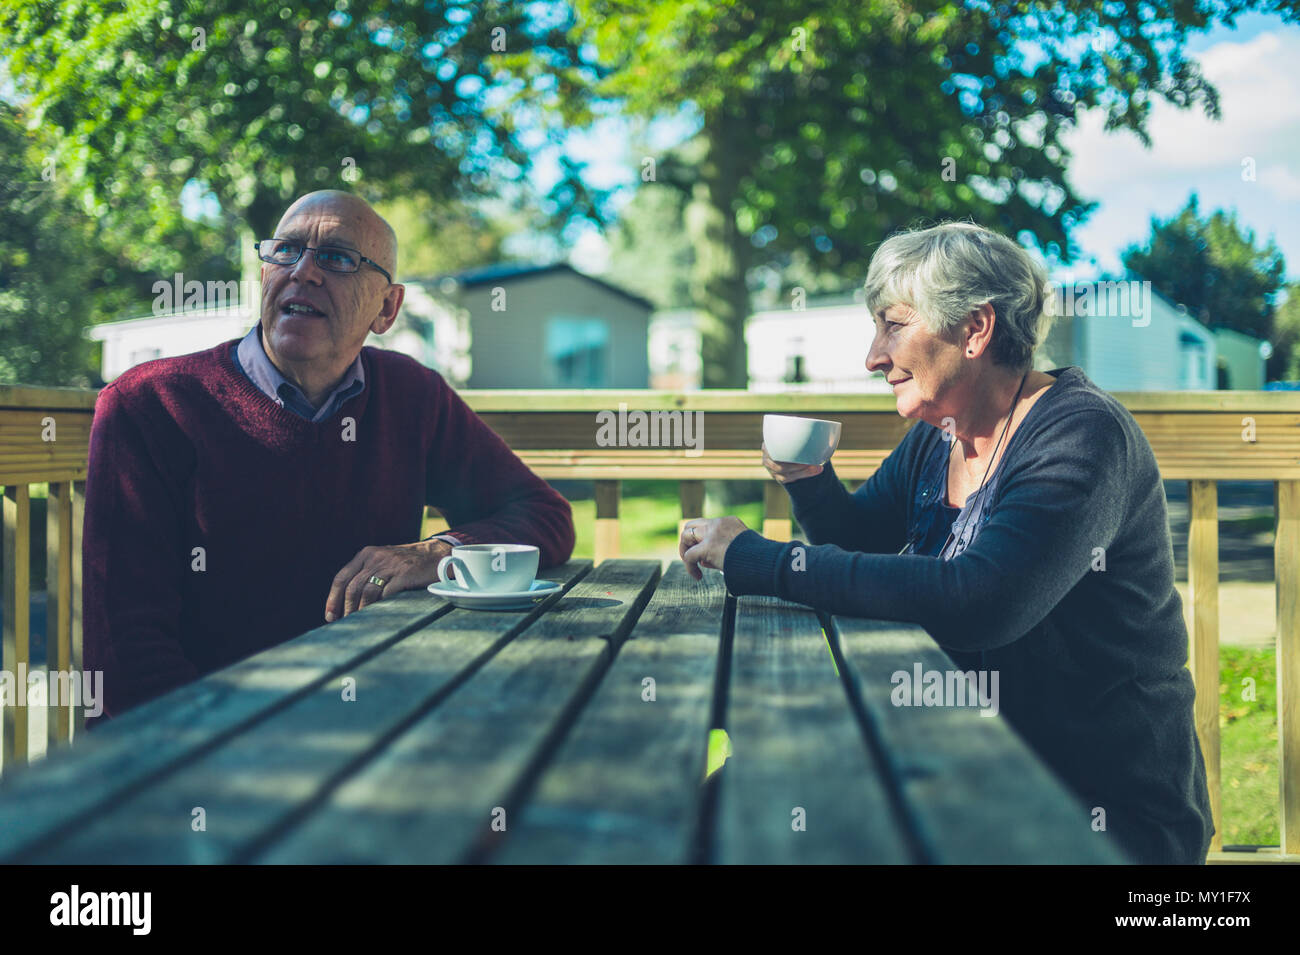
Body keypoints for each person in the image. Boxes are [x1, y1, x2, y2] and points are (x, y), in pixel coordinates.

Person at [679, 221, 1215, 865]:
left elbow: (982, 601)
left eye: (893, 325)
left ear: (975, 329)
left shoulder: (1082, 436)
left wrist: (759, 559)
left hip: (1098, 809)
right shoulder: (943, 435)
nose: (873, 357)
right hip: (964, 760)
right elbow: (857, 537)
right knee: (726, 801)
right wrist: (811, 481)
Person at [83, 190, 575, 723]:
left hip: (372, 722)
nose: (304, 273)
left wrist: (436, 553)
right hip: (200, 753)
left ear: (387, 308)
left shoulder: (412, 395)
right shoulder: (151, 404)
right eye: (285, 251)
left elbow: (544, 515)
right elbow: (126, 653)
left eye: (339, 258)